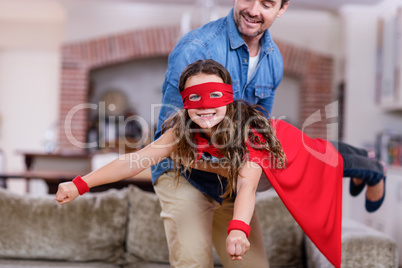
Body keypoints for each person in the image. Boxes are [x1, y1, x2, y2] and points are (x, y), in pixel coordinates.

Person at [56, 59, 386, 268]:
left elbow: (246, 186)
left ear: (227, 97)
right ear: (184, 104)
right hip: (229, 182)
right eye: (194, 99)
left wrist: (238, 229)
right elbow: (134, 160)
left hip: (286, 154)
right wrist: (80, 183)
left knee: (330, 157)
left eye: (213, 97)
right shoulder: (179, 132)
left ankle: (373, 170)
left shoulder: (249, 133)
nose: (205, 107)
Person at [152, 0, 289, 266]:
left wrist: (249, 174)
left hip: (230, 179)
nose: (253, 10)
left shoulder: (274, 60)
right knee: (194, 262)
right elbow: (170, 135)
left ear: (281, 9)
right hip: (183, 172)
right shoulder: (197, 48)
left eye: (267, 3)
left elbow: (257, 135)